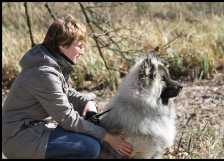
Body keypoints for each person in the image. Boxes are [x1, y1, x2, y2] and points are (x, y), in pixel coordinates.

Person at [2, 14, 133, 159]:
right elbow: (67, 118)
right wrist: (107, 137)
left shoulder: (51, 64)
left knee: (91, 139)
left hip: (34, 131)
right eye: (80, 46)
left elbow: (66, 92)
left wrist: (87, 102)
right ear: (62, 45)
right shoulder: (43, 73)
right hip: (20, 140)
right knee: (89, 148)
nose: (82, 52)